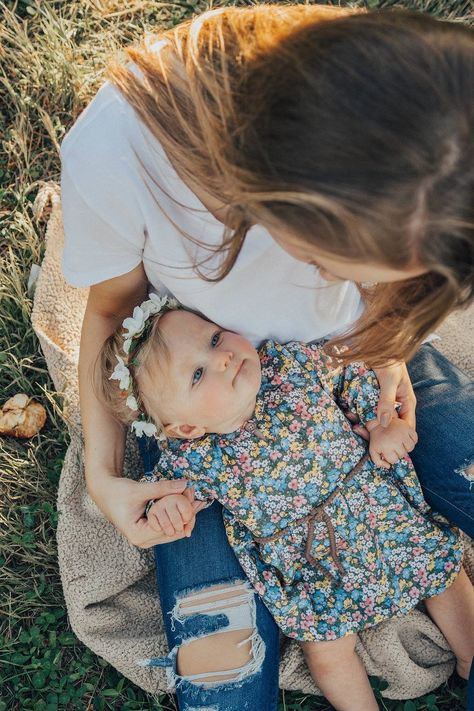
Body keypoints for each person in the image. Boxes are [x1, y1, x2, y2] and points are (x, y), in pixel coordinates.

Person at [60, 5, 474, 709]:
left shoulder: (409, 108)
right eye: (337, 267)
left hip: (354, 381)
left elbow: (393, 313)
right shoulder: (121, 154)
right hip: (223, 425)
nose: (353, 292)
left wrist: (392, 347)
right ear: (270, 203)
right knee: (224, 683)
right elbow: (107, 315)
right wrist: (104, 477)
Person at [96, 297, 474, 711]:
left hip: (378, 514)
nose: (222, 357)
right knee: (326, 652)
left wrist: (385, 426)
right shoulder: (197, 455)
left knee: (444, 573)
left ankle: (469, 655)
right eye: (198, 374)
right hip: (313, 565)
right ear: (186, 426)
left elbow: (354, 381)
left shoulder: (289, 366)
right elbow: (169, 496)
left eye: (215, 336)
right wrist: (168, 510)